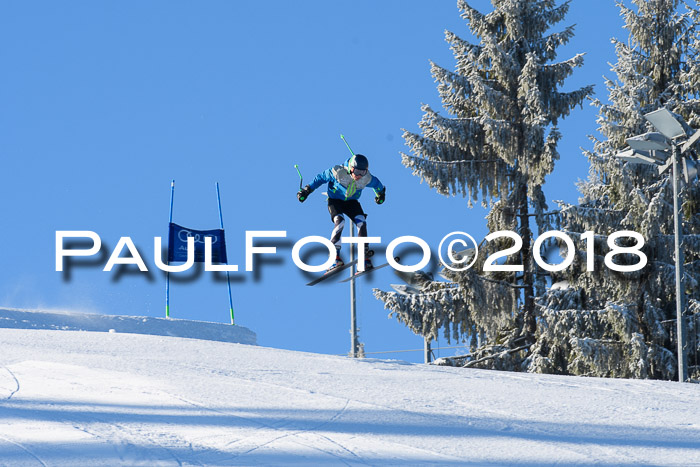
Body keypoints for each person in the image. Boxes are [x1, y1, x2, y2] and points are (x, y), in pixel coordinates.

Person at [297, 154, 386, 271]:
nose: (359, 175)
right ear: (350, 167)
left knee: (361, 222)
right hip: (335, 201)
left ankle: (363, 257)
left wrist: (380, 195)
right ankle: (334, 257)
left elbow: (377, 185)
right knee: (340, 221)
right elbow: (320, 178)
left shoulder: (366, 178)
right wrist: (307, 190)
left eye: (363, 172)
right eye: (357, 171)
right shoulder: (337, 172)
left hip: (351, 202)